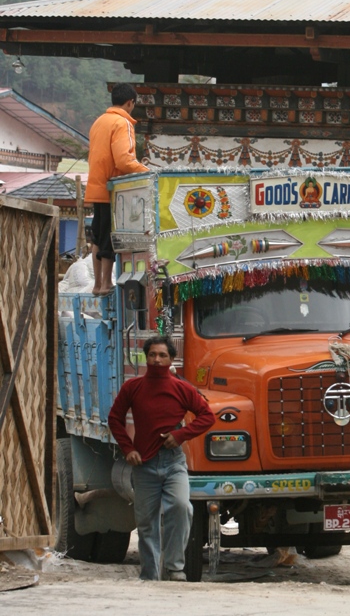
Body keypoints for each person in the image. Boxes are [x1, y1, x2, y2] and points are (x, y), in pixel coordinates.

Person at [108, 335, 215, 581]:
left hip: (173, 462)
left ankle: (175, 568)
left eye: (162, 355)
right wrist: (128, 449)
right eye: (153, 355)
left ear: (171, 359)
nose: (157, 359)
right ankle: (150, 576)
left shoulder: (182, 388)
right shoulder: (132, 388)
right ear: (146, 358)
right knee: (147, 525)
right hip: (143, 465)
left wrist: (180, 435)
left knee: (181, 507)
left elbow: (206, 416)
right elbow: (115, 418)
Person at [84, 82, 149, 295]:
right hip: (114, 191)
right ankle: (105, 284)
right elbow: (123, 160)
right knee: (110, 240)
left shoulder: (98, 122)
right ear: (130, 103)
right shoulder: (122, 123)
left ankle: (97, 284)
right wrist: (147, 171)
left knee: (97, 237)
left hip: (97, 187)